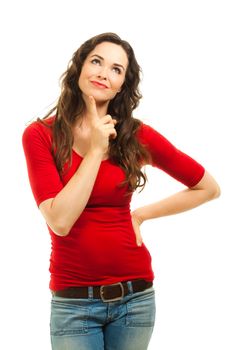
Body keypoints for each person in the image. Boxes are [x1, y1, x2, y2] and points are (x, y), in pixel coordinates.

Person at [22, 32, 220, 350]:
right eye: (97, 61)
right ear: (79, 67)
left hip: (135, 299)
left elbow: (208, 188)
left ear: (121, 85)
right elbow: (59, 221)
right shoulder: (40, 135)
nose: (104, 72)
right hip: (74, 304)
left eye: (116, 69)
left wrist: (141, 215)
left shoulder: (135, 135)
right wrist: (97, 150)